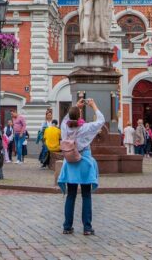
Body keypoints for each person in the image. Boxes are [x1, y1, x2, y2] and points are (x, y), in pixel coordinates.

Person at [57, 98, 105, 236]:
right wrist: (93, 105)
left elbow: (65, 120)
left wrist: (75, 106)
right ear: (80, 116)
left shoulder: (65, 127)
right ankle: (87, 228)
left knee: (71, 195)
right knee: (86, 195)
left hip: (70, 161)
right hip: (84, 162)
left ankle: (67, 226)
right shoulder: (85, 128)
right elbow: (101, 121)